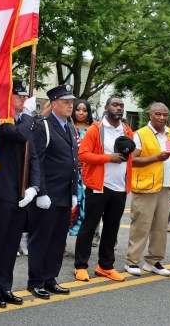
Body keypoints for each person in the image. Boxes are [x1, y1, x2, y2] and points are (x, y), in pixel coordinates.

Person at [0, 80, 39, 309]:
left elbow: (33, 156)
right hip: (2, 191)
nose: (24, 100)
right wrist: (27, 114)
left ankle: (5, 287)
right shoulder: (1, 119)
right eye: (19, 96)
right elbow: (18, 135)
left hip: (21, 192)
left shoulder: (24, 121)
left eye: (25, 97)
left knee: (12, 243)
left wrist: (34, 187)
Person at [26, 84, 79, 300]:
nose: (70, 105)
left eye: (71, 101)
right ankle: (36, 281)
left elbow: (73, 163)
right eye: (65, 101)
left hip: (64, 194)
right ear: (54, 103)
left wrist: (74, 191)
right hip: (48, 195)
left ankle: (50, 278)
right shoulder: (43, 126)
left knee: (58, 240)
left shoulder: (69, 127)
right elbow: (36, 160)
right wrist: (41, 192)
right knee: (41, 239)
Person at [74, 96, 134, 282]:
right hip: (98, 186)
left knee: (112, 228)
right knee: (89, 227)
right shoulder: (95, 129)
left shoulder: (127, 130)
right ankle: (80, 266)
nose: (119, 108)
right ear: (107, 107)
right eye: (115, 105)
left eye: (121, 106)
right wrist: (108, 158)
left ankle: (105, 266)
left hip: (119, 187)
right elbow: (82, 154)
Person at [124, 103, 170, 277]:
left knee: (161, 226)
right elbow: (132, 160)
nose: (162, 118)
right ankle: (132, 261)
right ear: (150, 115)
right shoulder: (140, 134)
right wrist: (156, 158)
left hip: (166, 185)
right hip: (146, 185)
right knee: (141, 225)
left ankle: (153, 261)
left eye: (164, 115)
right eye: (158, 114)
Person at [70, 99, 93, 238]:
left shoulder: (93, 129)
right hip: (71, 174)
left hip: (88, 175)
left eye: (85, 110)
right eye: (78, 109)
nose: (81, 113)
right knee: (69, 208)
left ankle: (83, 242)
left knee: (86, 209)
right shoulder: (68, 126)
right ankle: (61, 244)